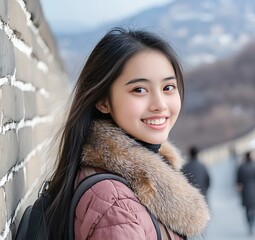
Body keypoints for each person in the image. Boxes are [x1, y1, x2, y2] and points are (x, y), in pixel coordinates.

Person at [44, 27, 210, 240]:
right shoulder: (117, 207)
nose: (159, 105)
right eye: (139, 90)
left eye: (168, 87)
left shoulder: (112, 181)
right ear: (103, 101)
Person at [236, 151, 255, 236]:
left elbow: (238, 180)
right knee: (254, 209)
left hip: (245, 191)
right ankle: (252, 223)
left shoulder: (241, 167)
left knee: (247, 209)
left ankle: (249, 224)